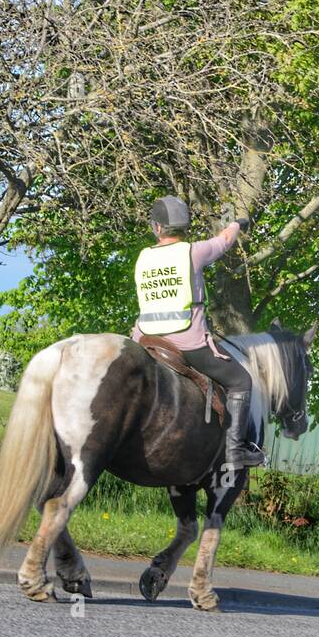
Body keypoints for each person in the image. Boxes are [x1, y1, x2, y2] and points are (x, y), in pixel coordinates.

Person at [132, 196, 263, 468]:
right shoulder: (193, 252)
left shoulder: (143, 257)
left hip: (144, 339)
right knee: (241, 381)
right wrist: (236, 224)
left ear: (157, 227)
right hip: (186, 342)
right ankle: (235, 450)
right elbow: (224, 241)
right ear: (184, 227)